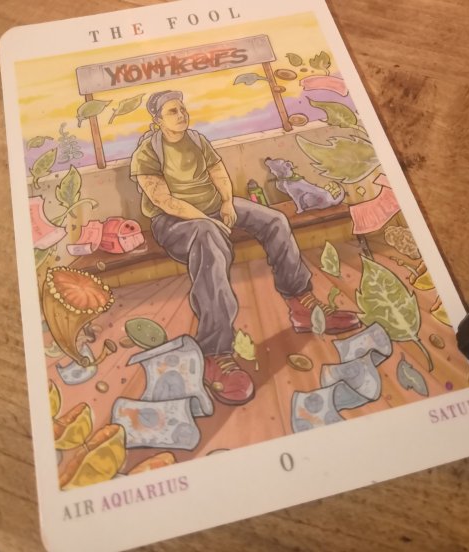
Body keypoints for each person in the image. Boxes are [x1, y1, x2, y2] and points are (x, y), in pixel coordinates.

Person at [130, 90, 360, 406]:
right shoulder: (148, 151)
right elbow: (163, 200)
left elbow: (218, 173)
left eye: (182, 108)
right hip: (174, 222)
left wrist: (226, 203)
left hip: (213, 208)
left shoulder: (196, 140)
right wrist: (206, 219)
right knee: (209, 237)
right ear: (157, 120)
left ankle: (302, 305)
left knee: (275, 220)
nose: (181, 114)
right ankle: (214, 351)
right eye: (172, 111)